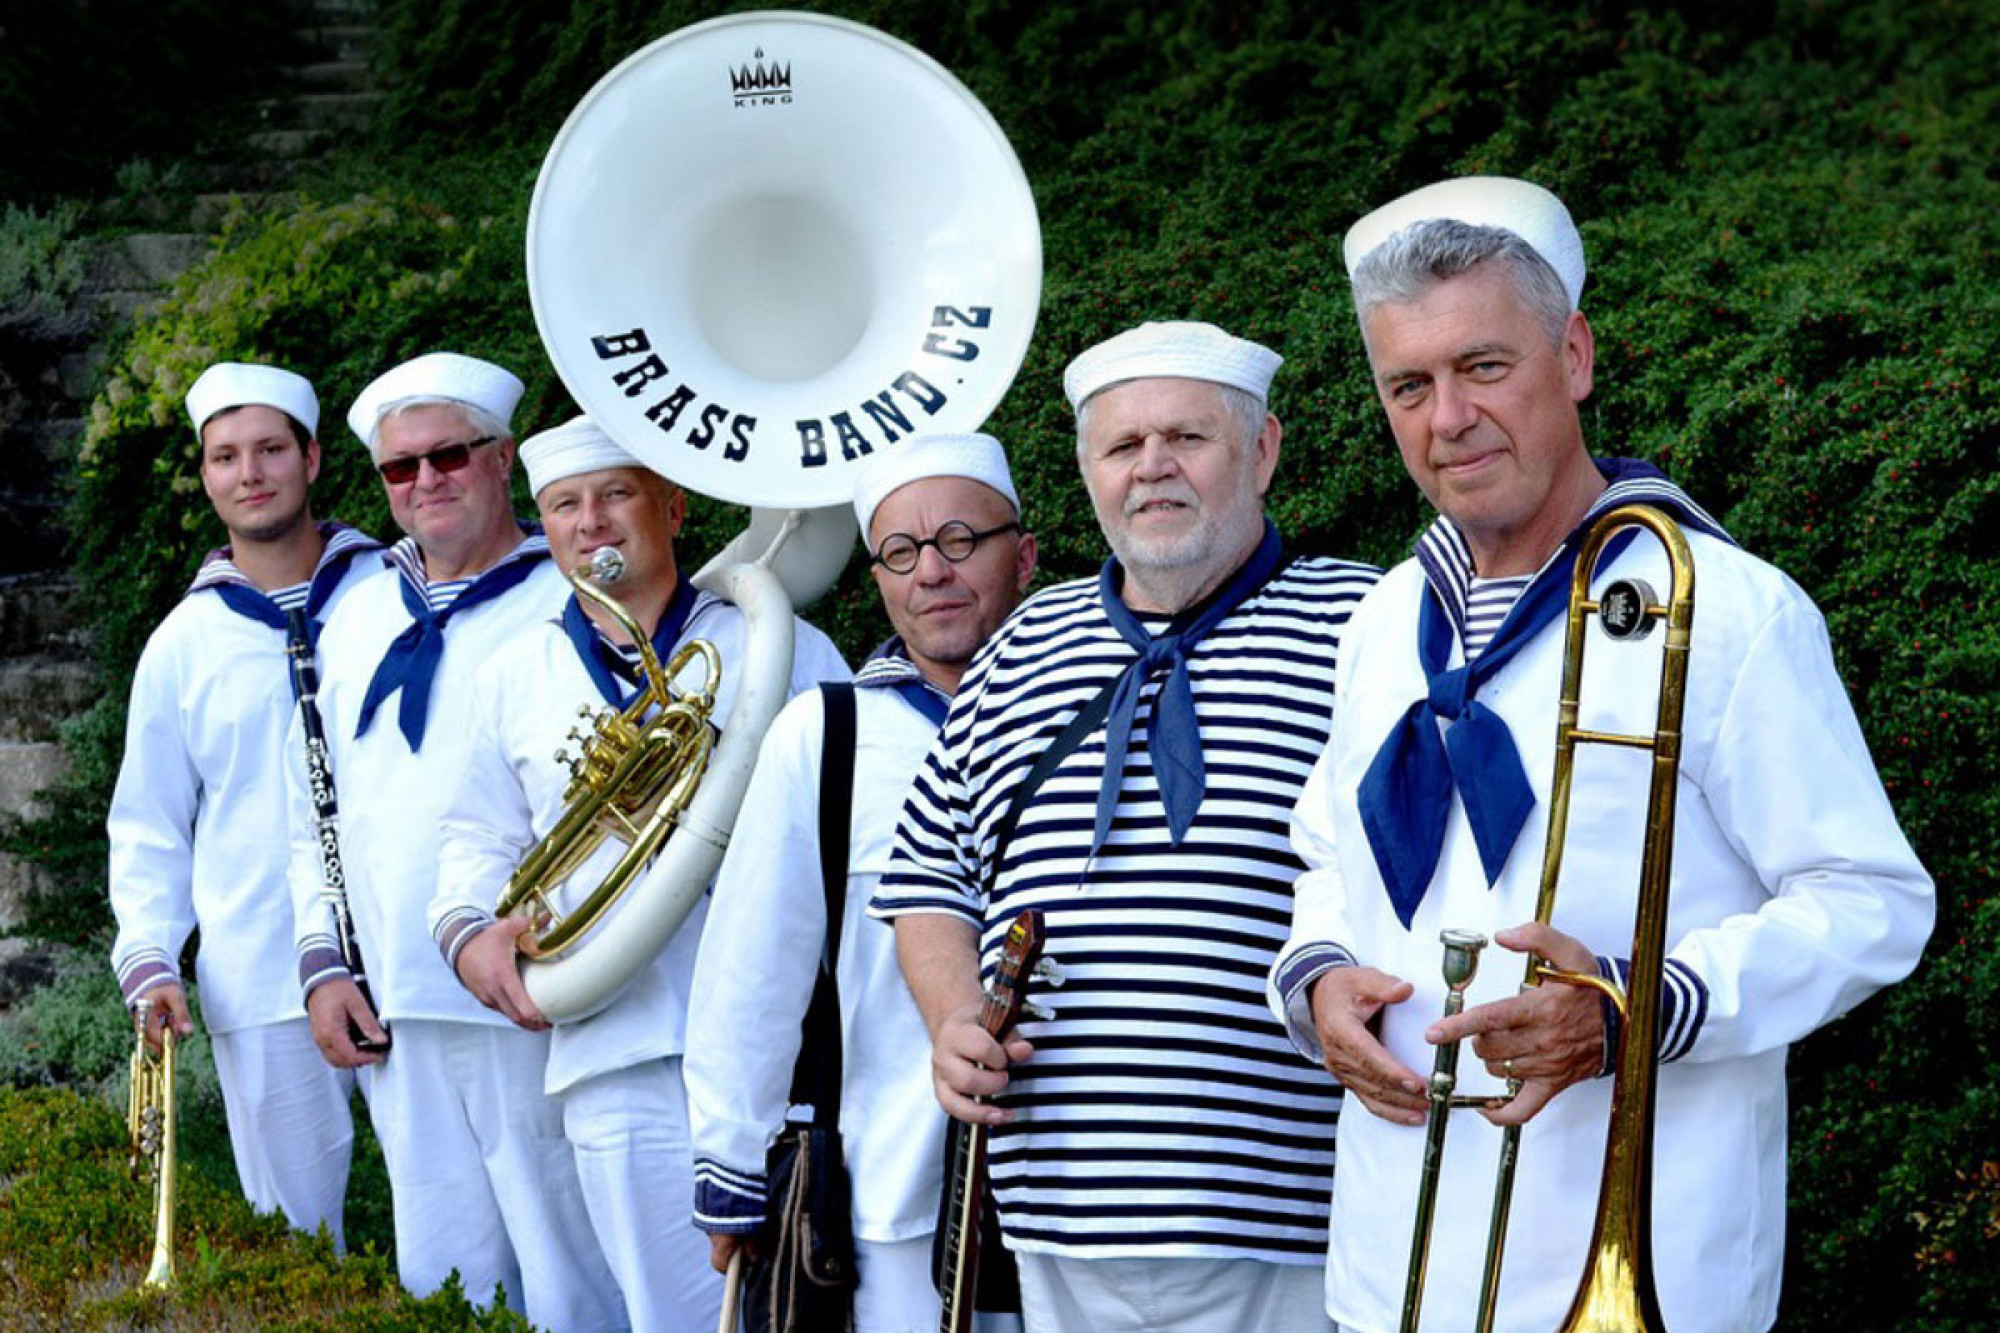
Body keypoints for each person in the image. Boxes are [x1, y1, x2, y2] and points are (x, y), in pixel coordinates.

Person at [1268, 176, 1936, 1333]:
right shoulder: (1379, 619)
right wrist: (1318, 973)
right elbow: (1326, 850)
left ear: (1571, 355)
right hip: (1389, 1263)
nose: (1446, 419)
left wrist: (1636, 1011)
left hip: (1647, 1261)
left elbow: (1870, 902)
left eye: (1483, 367)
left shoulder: (1728, 610)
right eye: (1407, 385)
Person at [874, 323, 1381, 1333]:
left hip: (1291, 1210)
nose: (1150, 468)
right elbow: (928, 872)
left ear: (1263, 450)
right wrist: (950, 1020)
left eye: (1185, 438)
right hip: (1055, 1212)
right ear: (1086, 470)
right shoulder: (1023, 638)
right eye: (1120, 446)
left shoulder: (1364, 621)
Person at [431, 414, 849, 1333]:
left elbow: (848, 830)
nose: (593, 523)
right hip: (610, 1054)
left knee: (793, 1313)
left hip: (777, 1052)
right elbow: (472, 840)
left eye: (617, 494)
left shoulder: (781, 644)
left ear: (673, 504)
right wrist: (472, 941)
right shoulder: (515, 673)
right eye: (565, 506)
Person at [287, 353, 621, 1330]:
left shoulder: (575, 604)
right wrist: (324, 963)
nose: (426, 481)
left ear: (503, 458)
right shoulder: (348, 613)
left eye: (450, 456)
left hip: (537, 999)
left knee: (575, 1273)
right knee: (441, 1277)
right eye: (401, 468)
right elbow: (312, 811)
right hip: (397, 1006)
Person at [685, 434, 1037, 1332]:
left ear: (1024, 554)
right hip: (890, 1203)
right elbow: (752, 965)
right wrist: (732, 1169)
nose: (932, 572)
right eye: (901, 552)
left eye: (961, 540)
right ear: (877, 575)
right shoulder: (826, 733)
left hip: (1074, 1196)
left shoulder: (1097, 703)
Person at [108, 362, 377, 1246]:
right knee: (298, 1238)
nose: (249, 472)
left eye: (269, 449)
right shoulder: (184, 642)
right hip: (262, 975)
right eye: (225, 456)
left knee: (475, 1216)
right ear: (207, 476)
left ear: (311, 458)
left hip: (419, 959)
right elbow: (150, 820)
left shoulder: (391, 597)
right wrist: (150, 954)